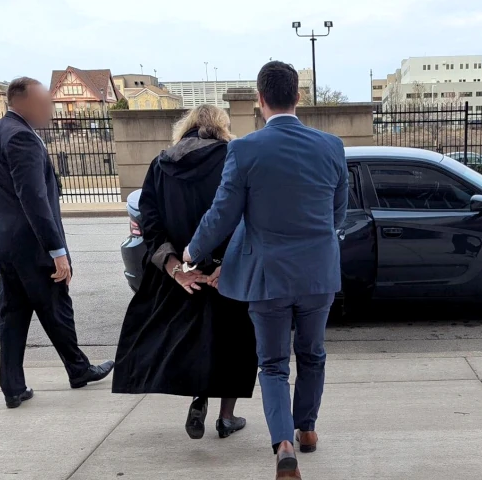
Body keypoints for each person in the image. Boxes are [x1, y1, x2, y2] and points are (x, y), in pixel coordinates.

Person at [183, 61, 348, 479]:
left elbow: (223, 213)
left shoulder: (245, 150)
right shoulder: (332, 146)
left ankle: (284, 446)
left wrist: (192, 250)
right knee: (312, 355)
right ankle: (307, 428)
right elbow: (338, 213)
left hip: (268, 276)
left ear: (260, 99)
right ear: (298, 96)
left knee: (273, 364)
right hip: (318, 274)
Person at [112, 105, 258, 440]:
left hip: (182, 272)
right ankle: (226, 417)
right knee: (234, 343)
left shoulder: (161, 164)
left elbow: (150, 222)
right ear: (221, 127)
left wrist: (175, 268)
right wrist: (227, 264)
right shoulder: (232, 158)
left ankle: (198, 399)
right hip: (225, 269)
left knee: (192, 340)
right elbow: (245, 215)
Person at [0, 77, 114, 408]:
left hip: (4, 244)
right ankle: (78, 370)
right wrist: (57, 251)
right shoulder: (21, 137)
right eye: (44, 103)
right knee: (56, 307)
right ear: (22, 102)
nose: (50, 109)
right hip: (31, 246)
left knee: (13, 316)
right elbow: (34, 199)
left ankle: (13, 386)